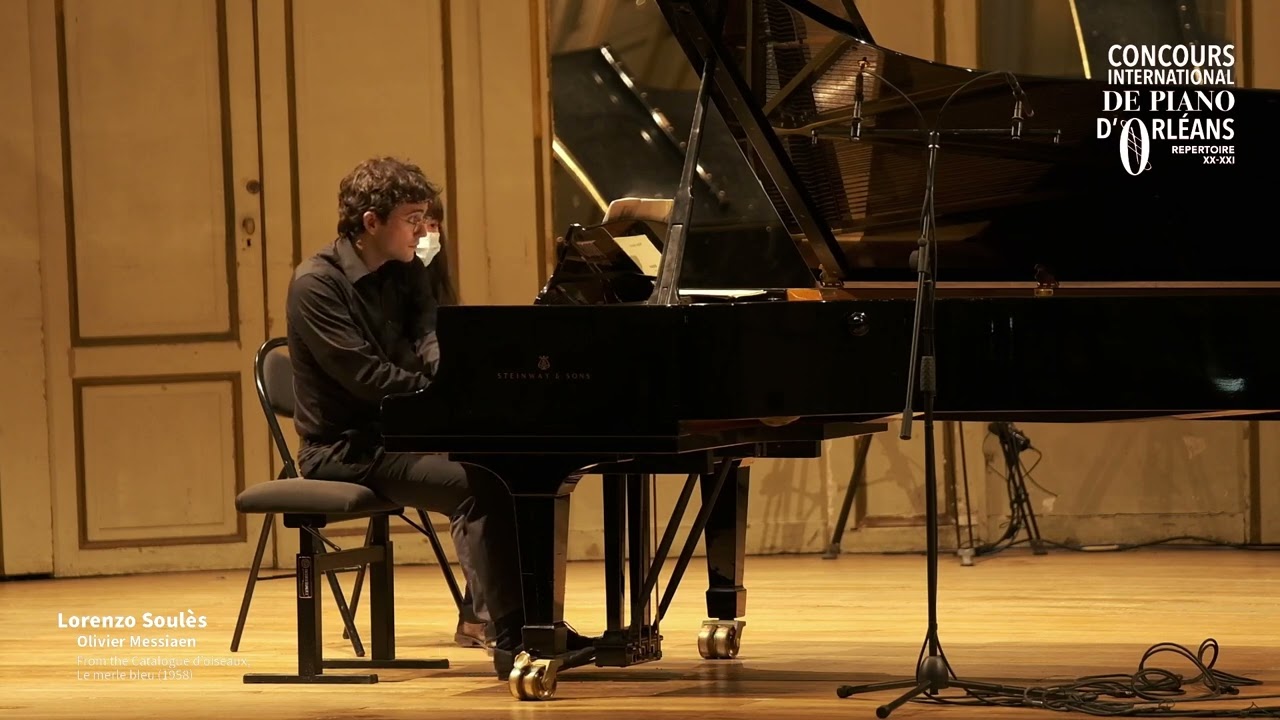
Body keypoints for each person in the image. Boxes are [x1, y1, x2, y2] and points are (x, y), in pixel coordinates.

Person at [284, 156, 591, 677]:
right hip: (347, 449)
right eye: (412, 219)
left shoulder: (405, 270)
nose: (423, 231)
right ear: (371, 222)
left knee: (521, 467)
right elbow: (367, 379)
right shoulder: (316, 285)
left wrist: (455, 378)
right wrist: (443, 394)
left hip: (404, 434)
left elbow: (430, 334)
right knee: (479, 484)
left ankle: (542, 625)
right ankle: (511, 636)